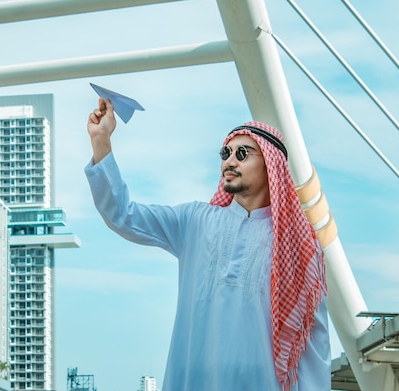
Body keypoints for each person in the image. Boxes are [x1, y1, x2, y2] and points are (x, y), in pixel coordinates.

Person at [85, 98, 330, 391]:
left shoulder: (297, 248)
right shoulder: (194, 221)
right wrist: (101, 141)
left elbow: (313, 349)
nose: (229, 161)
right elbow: (122, 215)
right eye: (225, 153)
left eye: (242, 153)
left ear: (271, 165)